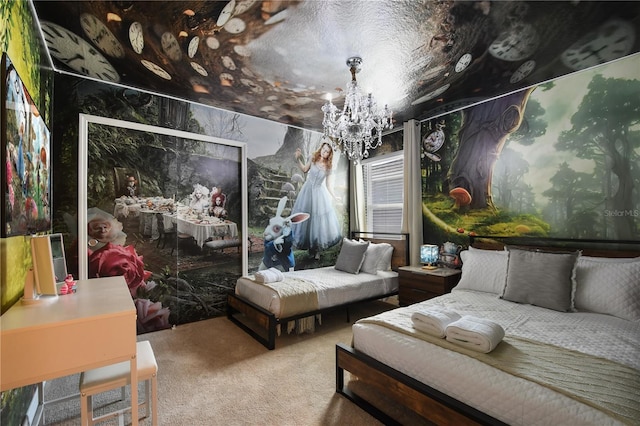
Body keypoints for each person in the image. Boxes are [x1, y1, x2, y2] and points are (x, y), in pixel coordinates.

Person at [291, 141, 342, 259]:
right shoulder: (313, 158)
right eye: (324, 150)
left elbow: (329, 185)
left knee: (318, 221)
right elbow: (304, 169)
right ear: (321, 149)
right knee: (305, 218)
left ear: (329, 154)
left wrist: (335, 197)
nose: (325, 153)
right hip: (307, 191)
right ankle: (308, 246)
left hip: (319, 193)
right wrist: (298, 159)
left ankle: (316, 248)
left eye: (327, 152)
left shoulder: (328, 167)